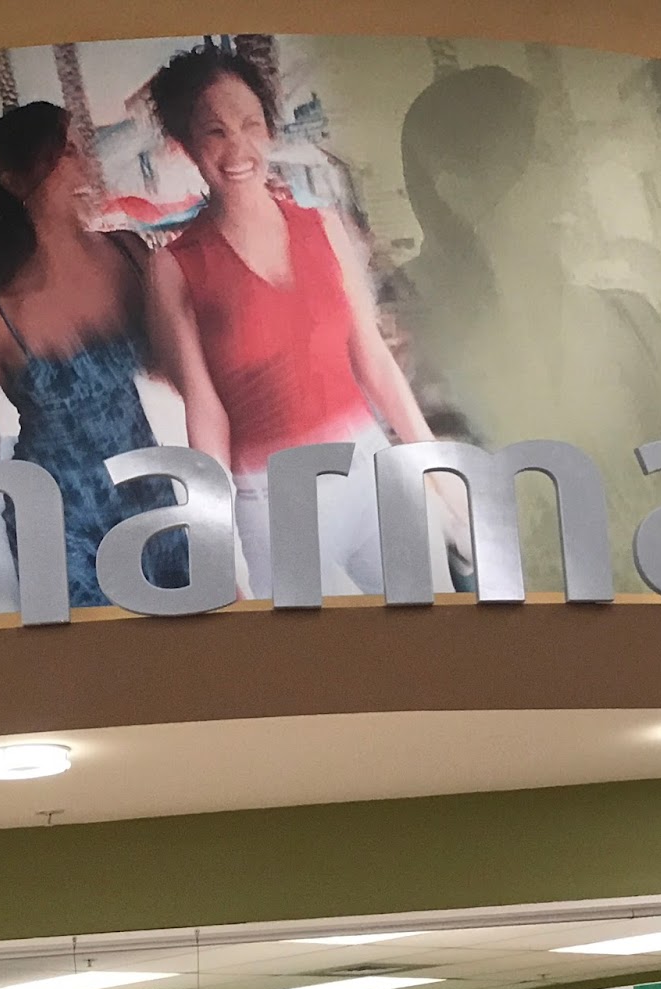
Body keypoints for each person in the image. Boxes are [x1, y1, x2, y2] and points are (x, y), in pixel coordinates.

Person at [145, 43, 463, 598]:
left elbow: (375, 361)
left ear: (269, 128)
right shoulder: (175, 266)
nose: (238, 147)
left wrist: (440, 475)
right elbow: (205, 412)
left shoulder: (324, 226)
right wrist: (217, 546)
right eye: (215, 132)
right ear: (185, 146)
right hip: (274, 501)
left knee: (429, 633)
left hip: (369, 468)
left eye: (250, 124)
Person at [0, 101, 187, 608]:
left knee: (186, 638)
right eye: (63, 154)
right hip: (56, 517)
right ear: (15, 180)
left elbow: (175, 370)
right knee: (94, 654)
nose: (84, 165)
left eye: (81, 149)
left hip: (147, 490)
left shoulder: (128, 253)